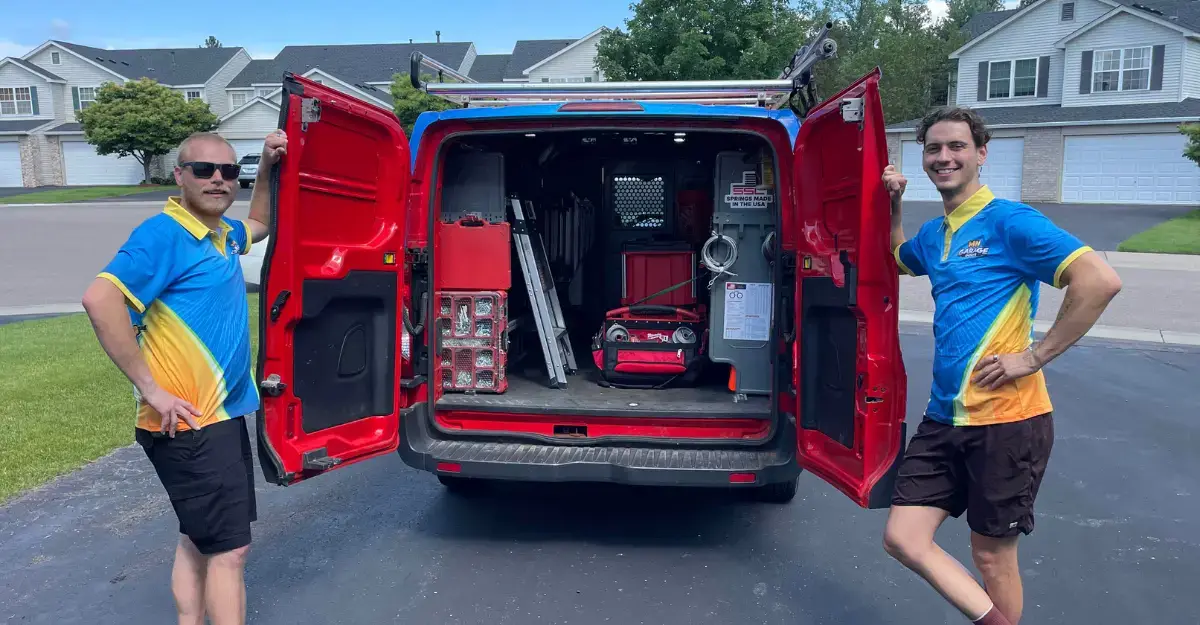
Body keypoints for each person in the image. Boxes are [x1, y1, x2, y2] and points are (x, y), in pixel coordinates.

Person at [879, 107, 1122, 625]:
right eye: (933, 148)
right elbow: (897, 258)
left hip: (1008, 422)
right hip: (944, 418)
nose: (944, 157)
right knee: (903, 538)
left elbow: (1098, 280)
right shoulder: (936, 234)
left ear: (981, 153)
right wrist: (894, 204)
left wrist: (1033, 357)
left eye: (957, 146)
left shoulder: (1010, 221)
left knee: (991, 556)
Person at [81, 129, 287, 625]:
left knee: (198, 537)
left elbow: (260, 222)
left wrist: (265, 168)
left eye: (228, 171)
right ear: (179, 175)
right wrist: (152, 389)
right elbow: (100, 299)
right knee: (230, 552)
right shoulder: (165, 234)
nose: (218, 179)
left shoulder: (221, 234)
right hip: (191, 425)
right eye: (204, 170)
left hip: (217, 417)